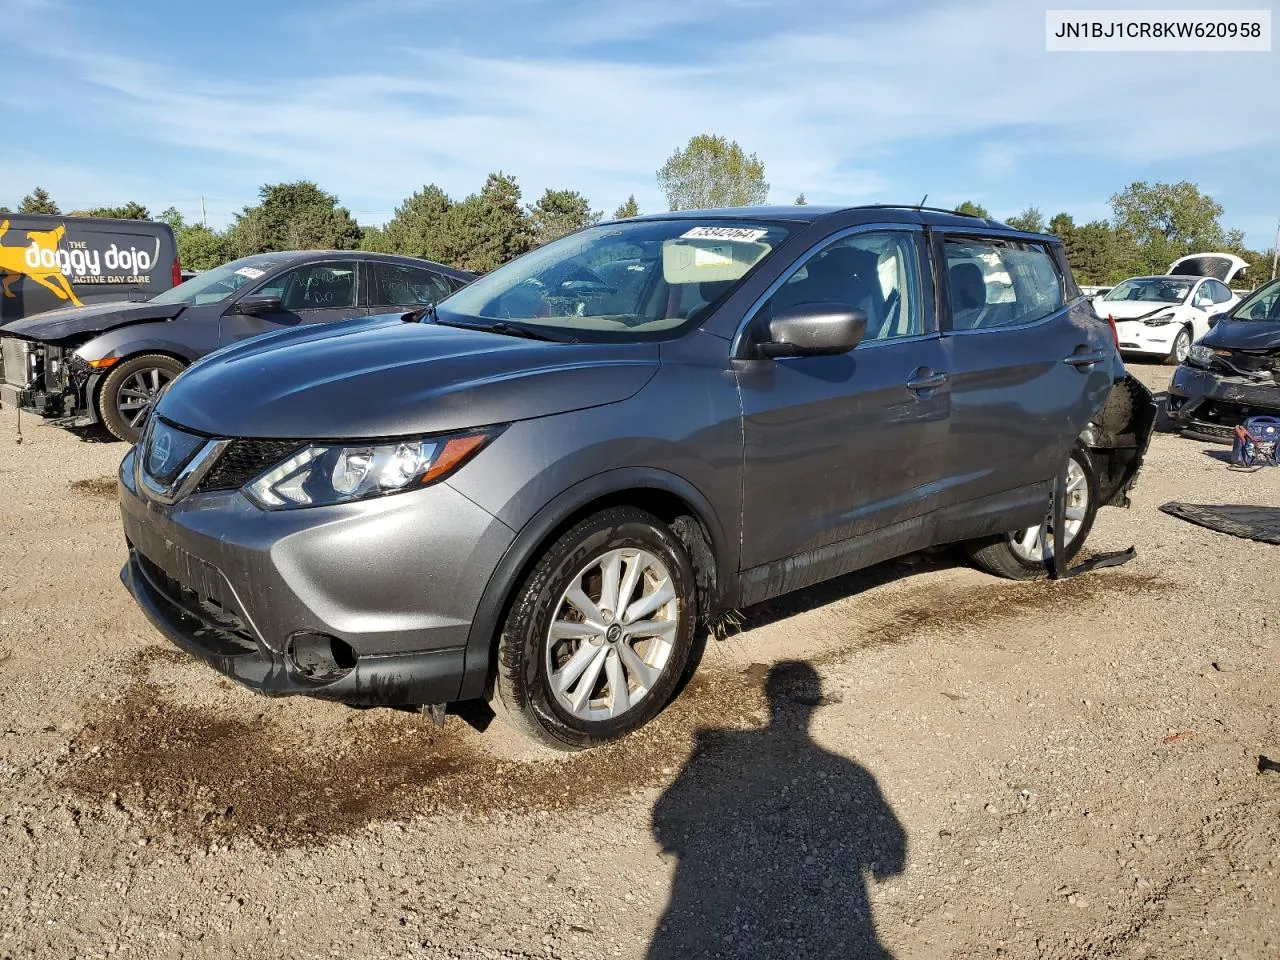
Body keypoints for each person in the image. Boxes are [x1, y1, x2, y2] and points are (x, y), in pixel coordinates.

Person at [648, 661, 907, 959]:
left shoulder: (724, 750)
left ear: (769, 699)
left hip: (706, 910)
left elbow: (662, 821)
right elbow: (891, 858)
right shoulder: (852, 775)